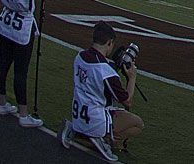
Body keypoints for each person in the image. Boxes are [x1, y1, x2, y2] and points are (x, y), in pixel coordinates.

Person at [60, 21, 143, 162]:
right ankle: (101, 139)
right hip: (95, 119)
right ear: (110, 42)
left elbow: (96, 71)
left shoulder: (79, 56)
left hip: (78, 113)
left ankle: (76, 130)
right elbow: (127, 100)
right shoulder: (106, 71)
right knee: (138, 124)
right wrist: (132, 77)